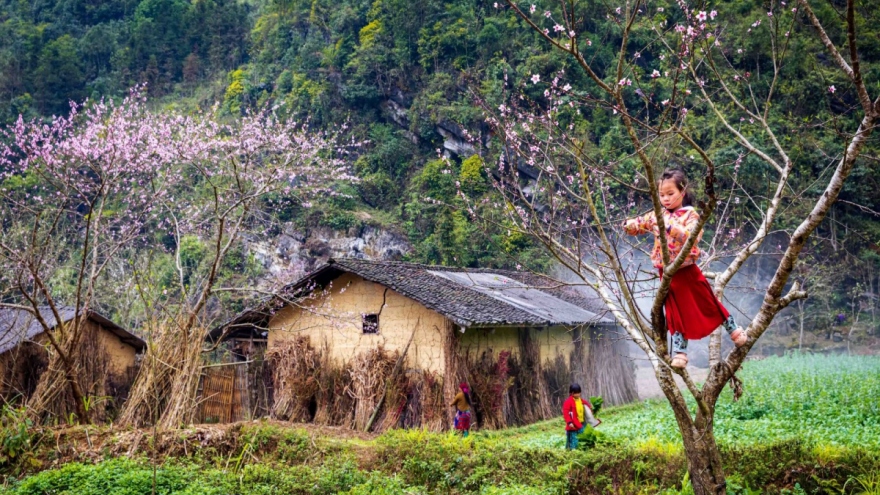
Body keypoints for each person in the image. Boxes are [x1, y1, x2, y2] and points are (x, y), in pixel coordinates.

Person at [623, 169, 748, 369]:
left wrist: (667, 227)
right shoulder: (657, 214)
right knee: (674, 313)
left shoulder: (690, 214)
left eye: (670, 194)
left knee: (708, 300)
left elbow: (692, 236)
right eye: (661, 195)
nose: (665, 199)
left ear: (682, 191)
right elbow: (639, 225)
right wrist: (628, 225)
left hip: (687, 269)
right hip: (666, 272)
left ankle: (733, 330)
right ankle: (680, 353)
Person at [562, 383, 600, 450]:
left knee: (584, 438)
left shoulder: (581, 401)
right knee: (574, 441)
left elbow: (588, 407)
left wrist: (593, 410)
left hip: (581, 423)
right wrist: (569, 422)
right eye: (577, 393)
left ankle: (585, 449)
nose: (579, 394)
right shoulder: (568, 402)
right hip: (573, 425)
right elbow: (566, 413)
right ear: (572, 393)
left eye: (579, 393)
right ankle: (573, 452)